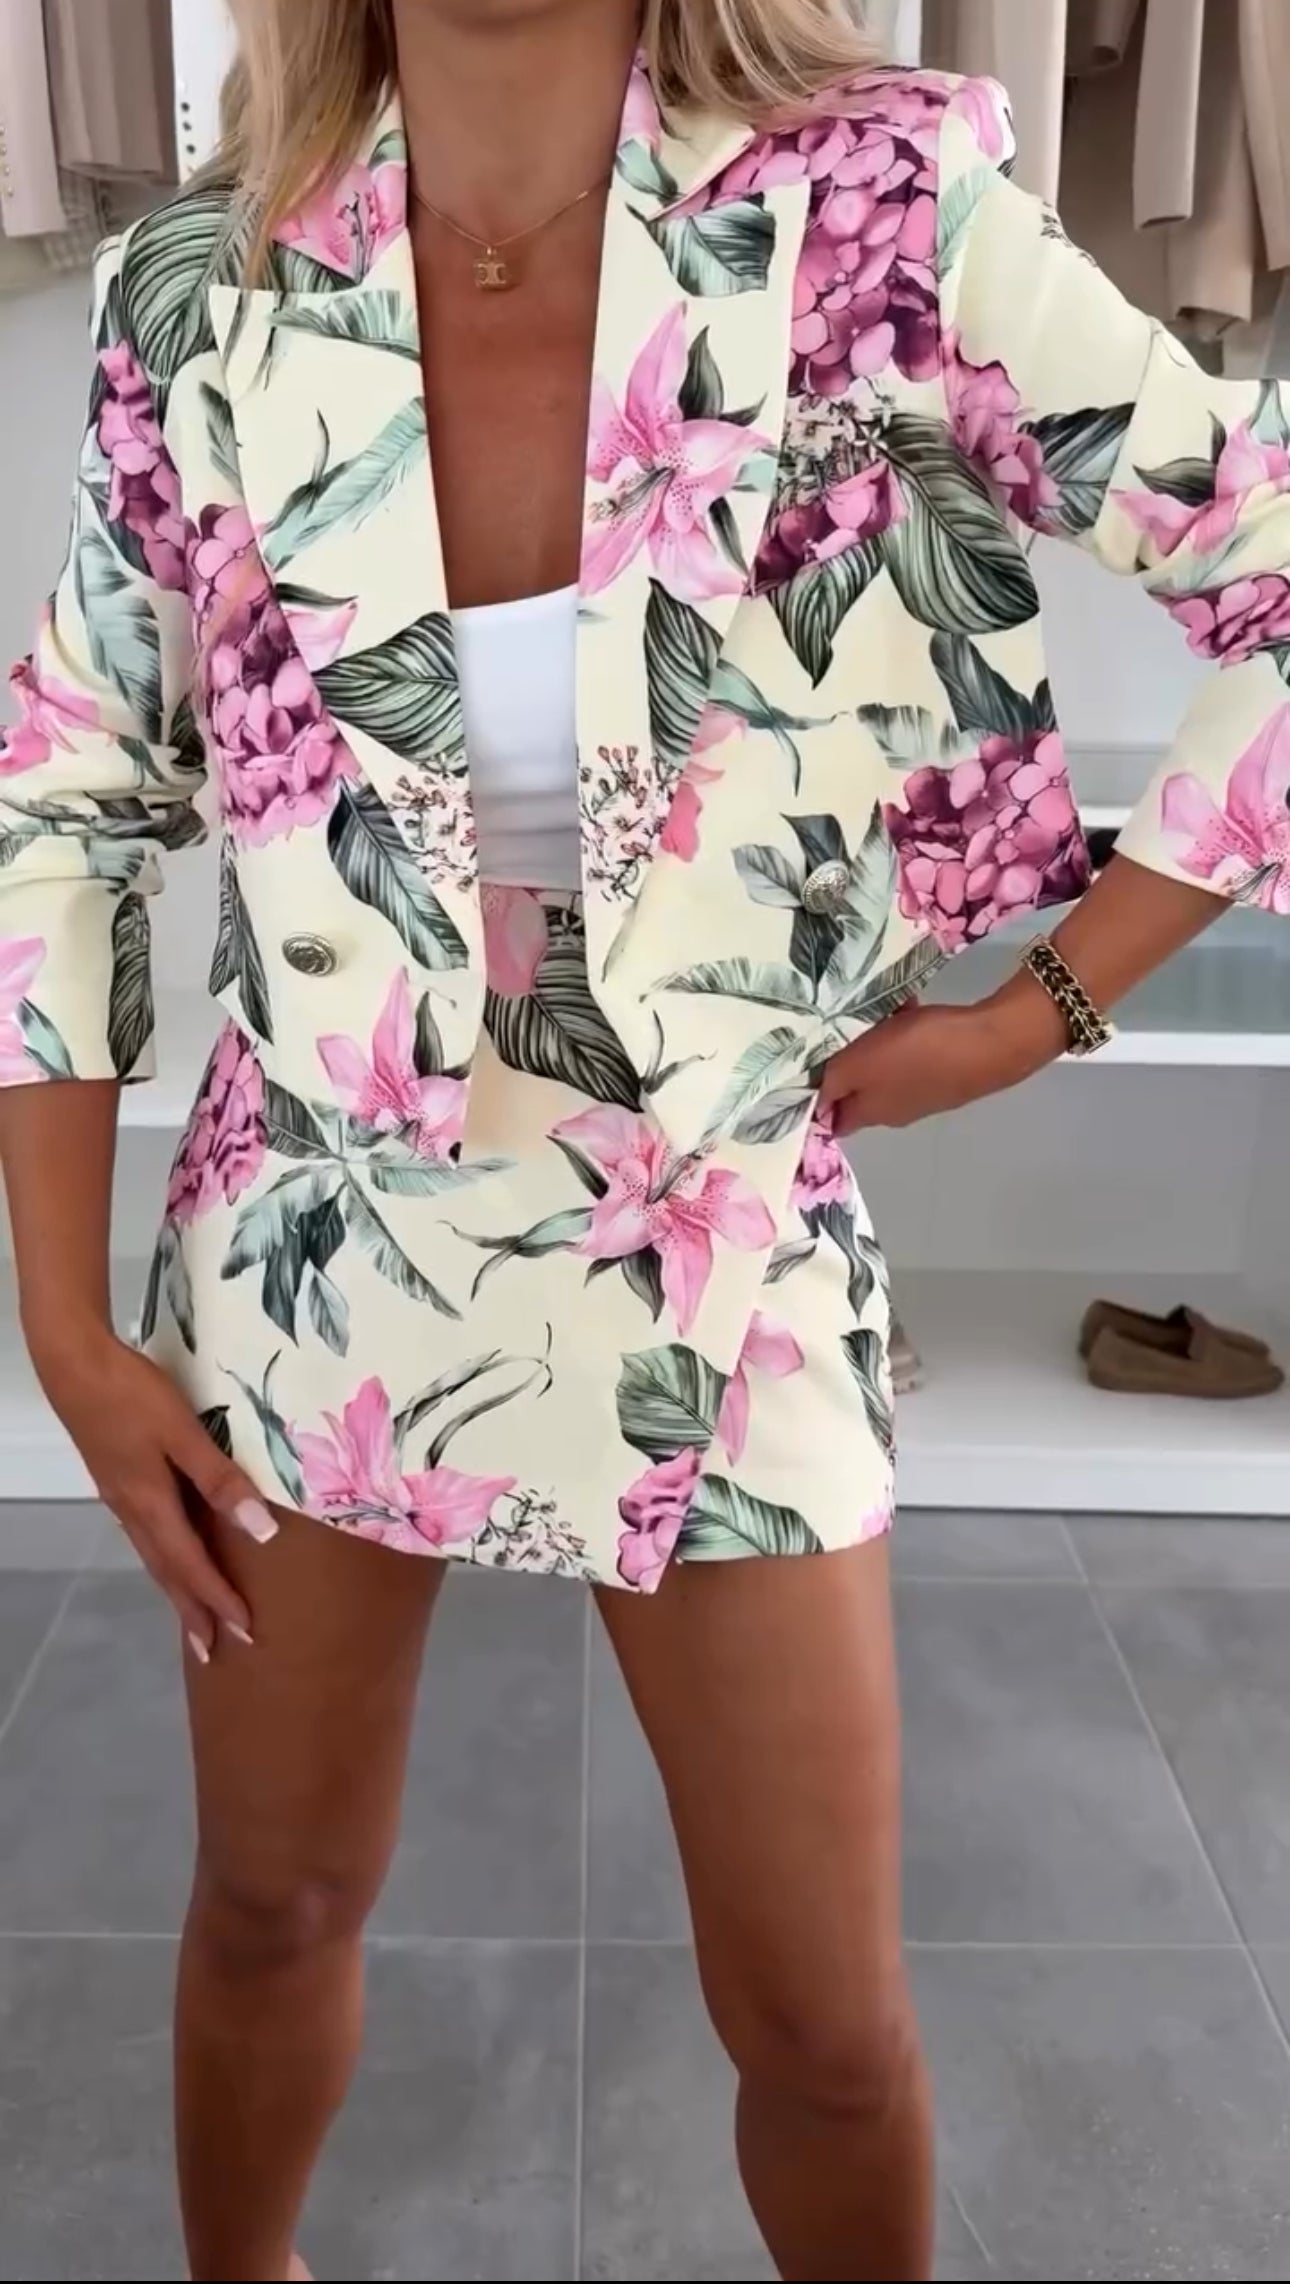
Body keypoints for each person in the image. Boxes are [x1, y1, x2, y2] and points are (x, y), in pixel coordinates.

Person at [0, 0, 1286, 2275]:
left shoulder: (884, 205)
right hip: (319, 1246)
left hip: (721, 1260)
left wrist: (1051, 1003)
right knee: (269, 1904)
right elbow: (71, 796)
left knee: (822, 2025)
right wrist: (68, 1335)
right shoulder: (196, 286)